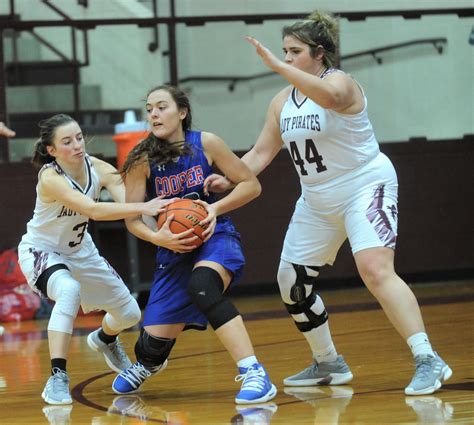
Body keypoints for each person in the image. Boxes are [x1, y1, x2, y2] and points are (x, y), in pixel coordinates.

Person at [204, 11, 451, 396]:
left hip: (364, 184)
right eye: (283, 51)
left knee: (375, 270)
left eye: (294, 51)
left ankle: (427, 358)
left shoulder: (341, 83)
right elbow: (260, 153)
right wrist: (230, 175)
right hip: (317, 198)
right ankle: (328, 362)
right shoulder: (281, 101)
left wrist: (273, 65)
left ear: (319, 54)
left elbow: (330, 97)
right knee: (290, 283)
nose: (286, 58)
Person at [111, 85, 276, 405]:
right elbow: (131, 219)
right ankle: (149, 363)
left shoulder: (207, 143)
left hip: (216, 237)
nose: (154, 114)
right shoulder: (141, 159)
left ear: (182, 112)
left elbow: (251, 185)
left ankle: (254, 371)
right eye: (149, 109)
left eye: (161, 107)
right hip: (172, 249)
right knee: (149, 346)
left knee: (203, 285)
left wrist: (214, 208)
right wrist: (157, 237)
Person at [18, 114, 169, 405]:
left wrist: (162, 226)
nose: (77, 145)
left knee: (129, 314)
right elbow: (94, 210)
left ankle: (105, 338)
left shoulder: (98, 168)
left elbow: (130, 206)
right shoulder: (50, 178)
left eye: (78, 137)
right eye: (67, 141)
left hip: (82, 251)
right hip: (43, 251)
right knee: (69, 291)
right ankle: (57, 376)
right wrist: (145, 205)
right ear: (52, 151)